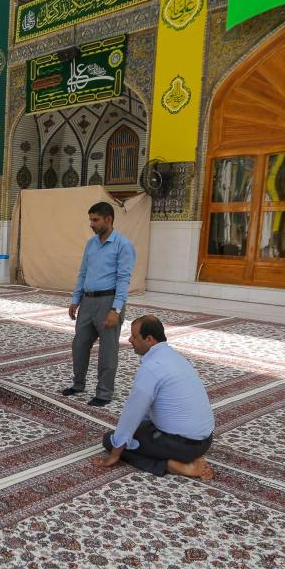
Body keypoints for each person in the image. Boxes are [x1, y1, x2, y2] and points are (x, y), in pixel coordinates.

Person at [90, 316, 215, 479]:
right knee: (138, 430)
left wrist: (114, 455)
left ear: (149, 339)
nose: (130, 340)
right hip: (205, 442)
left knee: (111, 440)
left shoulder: (152, 368)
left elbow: (132, 414)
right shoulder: (177, 358)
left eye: (134, 336)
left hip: (180, 445)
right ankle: (190, 456)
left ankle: (173, 465)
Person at [62, 202, 136, 407]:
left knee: (107, 351)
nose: (91, 224)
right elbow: (83, 273)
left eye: (95, 220)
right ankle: (78, 385)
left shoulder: (123, 245)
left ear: (109, 220)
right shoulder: (91, 244)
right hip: (88, 301)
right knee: (79, 345)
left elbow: (124, 279)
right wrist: (76, 300)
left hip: (108, 302)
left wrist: (116, 309)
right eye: (90, 220)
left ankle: (103, 393)